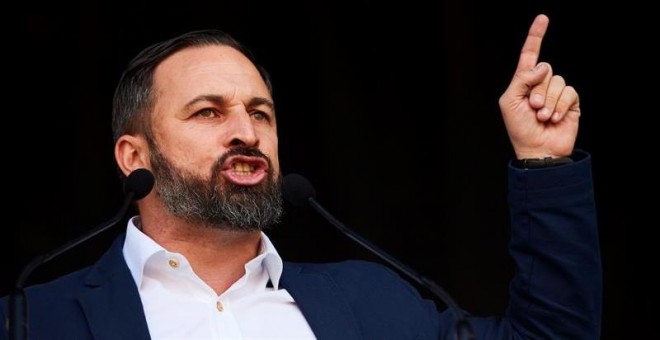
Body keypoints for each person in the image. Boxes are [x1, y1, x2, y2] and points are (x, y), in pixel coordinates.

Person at [1, 13, 601, 339]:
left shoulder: (374, 302)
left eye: (260, 112)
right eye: (209, 111)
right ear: (135, 157)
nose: (247, 131)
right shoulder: (31, 320)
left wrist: (542, 162)